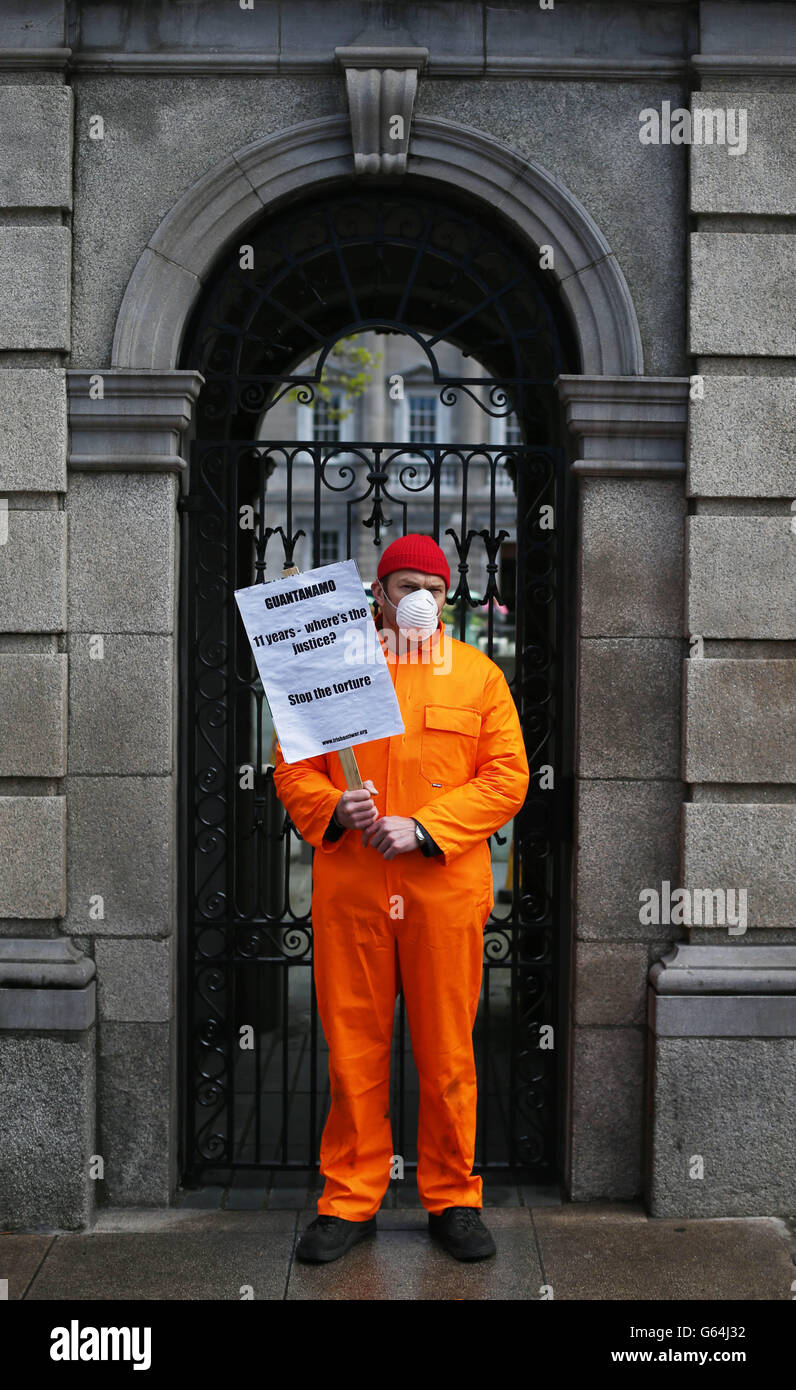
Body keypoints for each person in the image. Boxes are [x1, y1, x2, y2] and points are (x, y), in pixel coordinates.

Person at [272, 533, 529, 1263]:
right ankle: (350, 1198)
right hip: (353, 886)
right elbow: (292, 767)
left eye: (434, 587)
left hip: (443, 889)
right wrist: (331, 808)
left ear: (450, 597)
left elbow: (507, 777)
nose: (420, 597)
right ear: (377, 593)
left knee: (448, 1051)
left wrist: (425, 826)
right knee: (354, 1048)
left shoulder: (478, 677)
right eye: (405, 583)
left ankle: (452, 1196)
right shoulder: (333, 672)